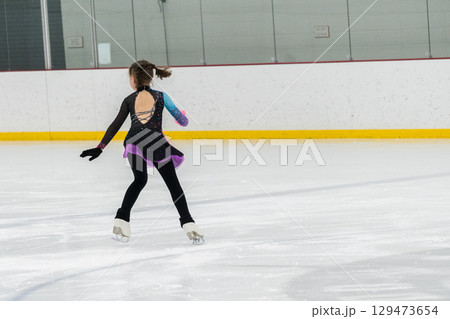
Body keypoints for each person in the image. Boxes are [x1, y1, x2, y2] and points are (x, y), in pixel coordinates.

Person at [80, 60, 204, 244]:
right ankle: (190, 226)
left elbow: (115, 125)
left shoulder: (129, 100)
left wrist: (100, 147)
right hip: (155, 144)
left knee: (139, 180)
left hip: (133, 144)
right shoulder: (162, 97)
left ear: (133, 79)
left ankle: (121, 223)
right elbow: (183, 122)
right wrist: (182, 115)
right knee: (173, 185)